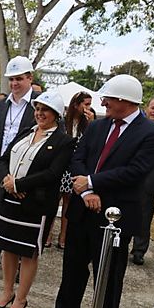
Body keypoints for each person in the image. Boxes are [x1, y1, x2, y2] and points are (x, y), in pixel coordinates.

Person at [39, 75, 154, 308]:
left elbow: (136, 171)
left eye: (108, 98)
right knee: (73, 263)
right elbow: (78, 157)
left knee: (108, 272)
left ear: (124, 101)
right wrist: (85, 191)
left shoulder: (151, 133)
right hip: (84, 207)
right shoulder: (97, 126)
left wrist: (93, 183)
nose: (102, 102)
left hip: (116, 215)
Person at [0, 91, 75, 308]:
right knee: (8, 247)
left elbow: (53, 173)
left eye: (45, 110)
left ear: (56, 114)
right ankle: (7, 291)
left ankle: (21, 298)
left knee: (28, 252)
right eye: (37, 109)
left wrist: (19, 184)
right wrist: (8, 180)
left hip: (35, 205)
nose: (39, 114)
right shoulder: (27, 132)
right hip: (10, 200)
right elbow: (3, 158)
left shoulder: (63, 141)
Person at [0, 56, 40, 273]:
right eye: (11, 79)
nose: (14, 84)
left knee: (21, 218)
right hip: (1, 168)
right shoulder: (1, 105)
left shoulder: (40, 104)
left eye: (19, 79)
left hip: (25, 172)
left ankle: (21, 264)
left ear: (30, 78)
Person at [47, 91, 93, 249]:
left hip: (74, 169)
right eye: (85, 104)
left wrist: (90, 124)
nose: (88, 107)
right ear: (76, 104)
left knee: (69, 202)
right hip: (59, 166)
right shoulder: (62, 123)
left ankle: (63, 236)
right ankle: (48, 234)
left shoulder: (87, 125)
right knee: (53, 201)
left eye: (90, 104)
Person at [131, 96, 154, 265]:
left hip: (153, 179)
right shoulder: (137, 127)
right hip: (132, 175)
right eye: (153, 107)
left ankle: (139, 250)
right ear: (147, 108)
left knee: (145, 215)